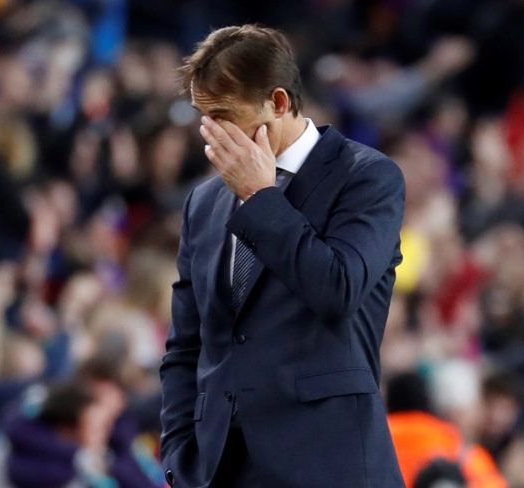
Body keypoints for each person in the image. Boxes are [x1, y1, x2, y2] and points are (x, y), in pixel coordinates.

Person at [159, 24, 406, 487]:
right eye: (202, 116)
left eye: (224, 115)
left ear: (277, 102)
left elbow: (337, 288)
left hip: (330, 466)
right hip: (222, 470)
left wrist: (260, 197)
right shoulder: (204, 202)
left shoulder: (367, 178)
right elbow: (186, 344)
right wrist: (177, 455)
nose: (209, 133)